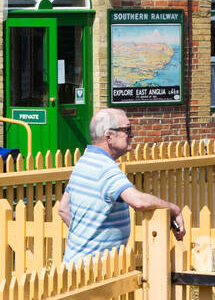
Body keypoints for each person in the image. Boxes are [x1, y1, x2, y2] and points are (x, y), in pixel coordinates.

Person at [58, 107, 185, 266]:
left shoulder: (84, 161)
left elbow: (63, 209)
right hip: (97, 271)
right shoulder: (105, 168)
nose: (132, 135)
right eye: (127, 130)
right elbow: (138, 201)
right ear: (109, 136)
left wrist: (87, 238)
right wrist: (173, 208)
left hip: (73, 265)